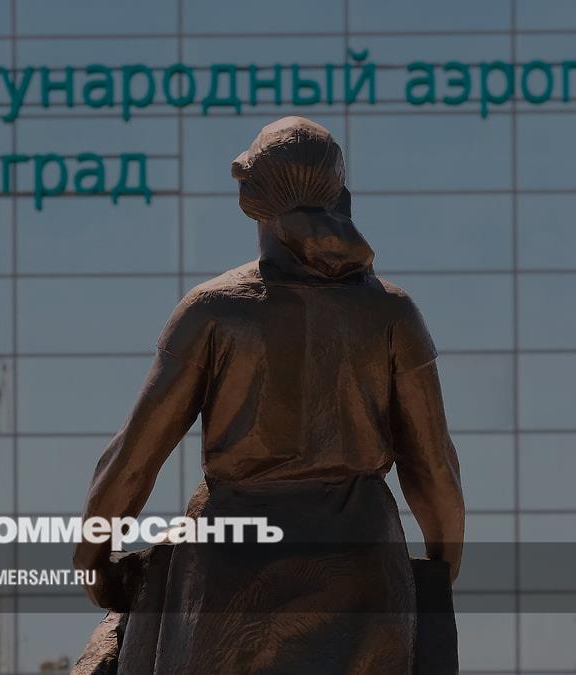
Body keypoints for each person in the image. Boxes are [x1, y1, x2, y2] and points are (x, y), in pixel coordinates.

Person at [73, 116, 464, 674]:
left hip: (231, 581)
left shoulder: (212, 310)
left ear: (248, 198)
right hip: (362, 578)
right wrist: (439, 567)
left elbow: (135, 455)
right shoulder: (392, 314)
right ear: (340, 197)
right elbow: (433, 467)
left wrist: (93, 555)